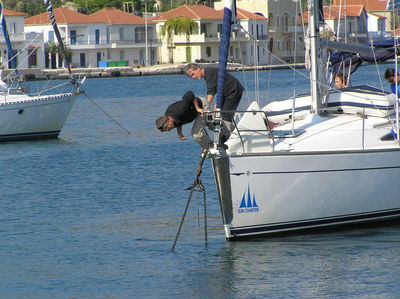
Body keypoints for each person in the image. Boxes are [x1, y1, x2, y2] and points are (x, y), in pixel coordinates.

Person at [184, 63, 244, 143]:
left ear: (197, 69)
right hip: (225, 94)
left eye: (192, 74)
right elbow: (216, 88)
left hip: (233, 91)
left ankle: (228, 141)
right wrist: (217, 104)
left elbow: (211, 93)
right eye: (191, 76)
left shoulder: (209, 73)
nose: (193, 77)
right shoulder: (208, 73)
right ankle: (226, 140)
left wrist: (204, 108)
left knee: (225, 118)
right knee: (219, 116)